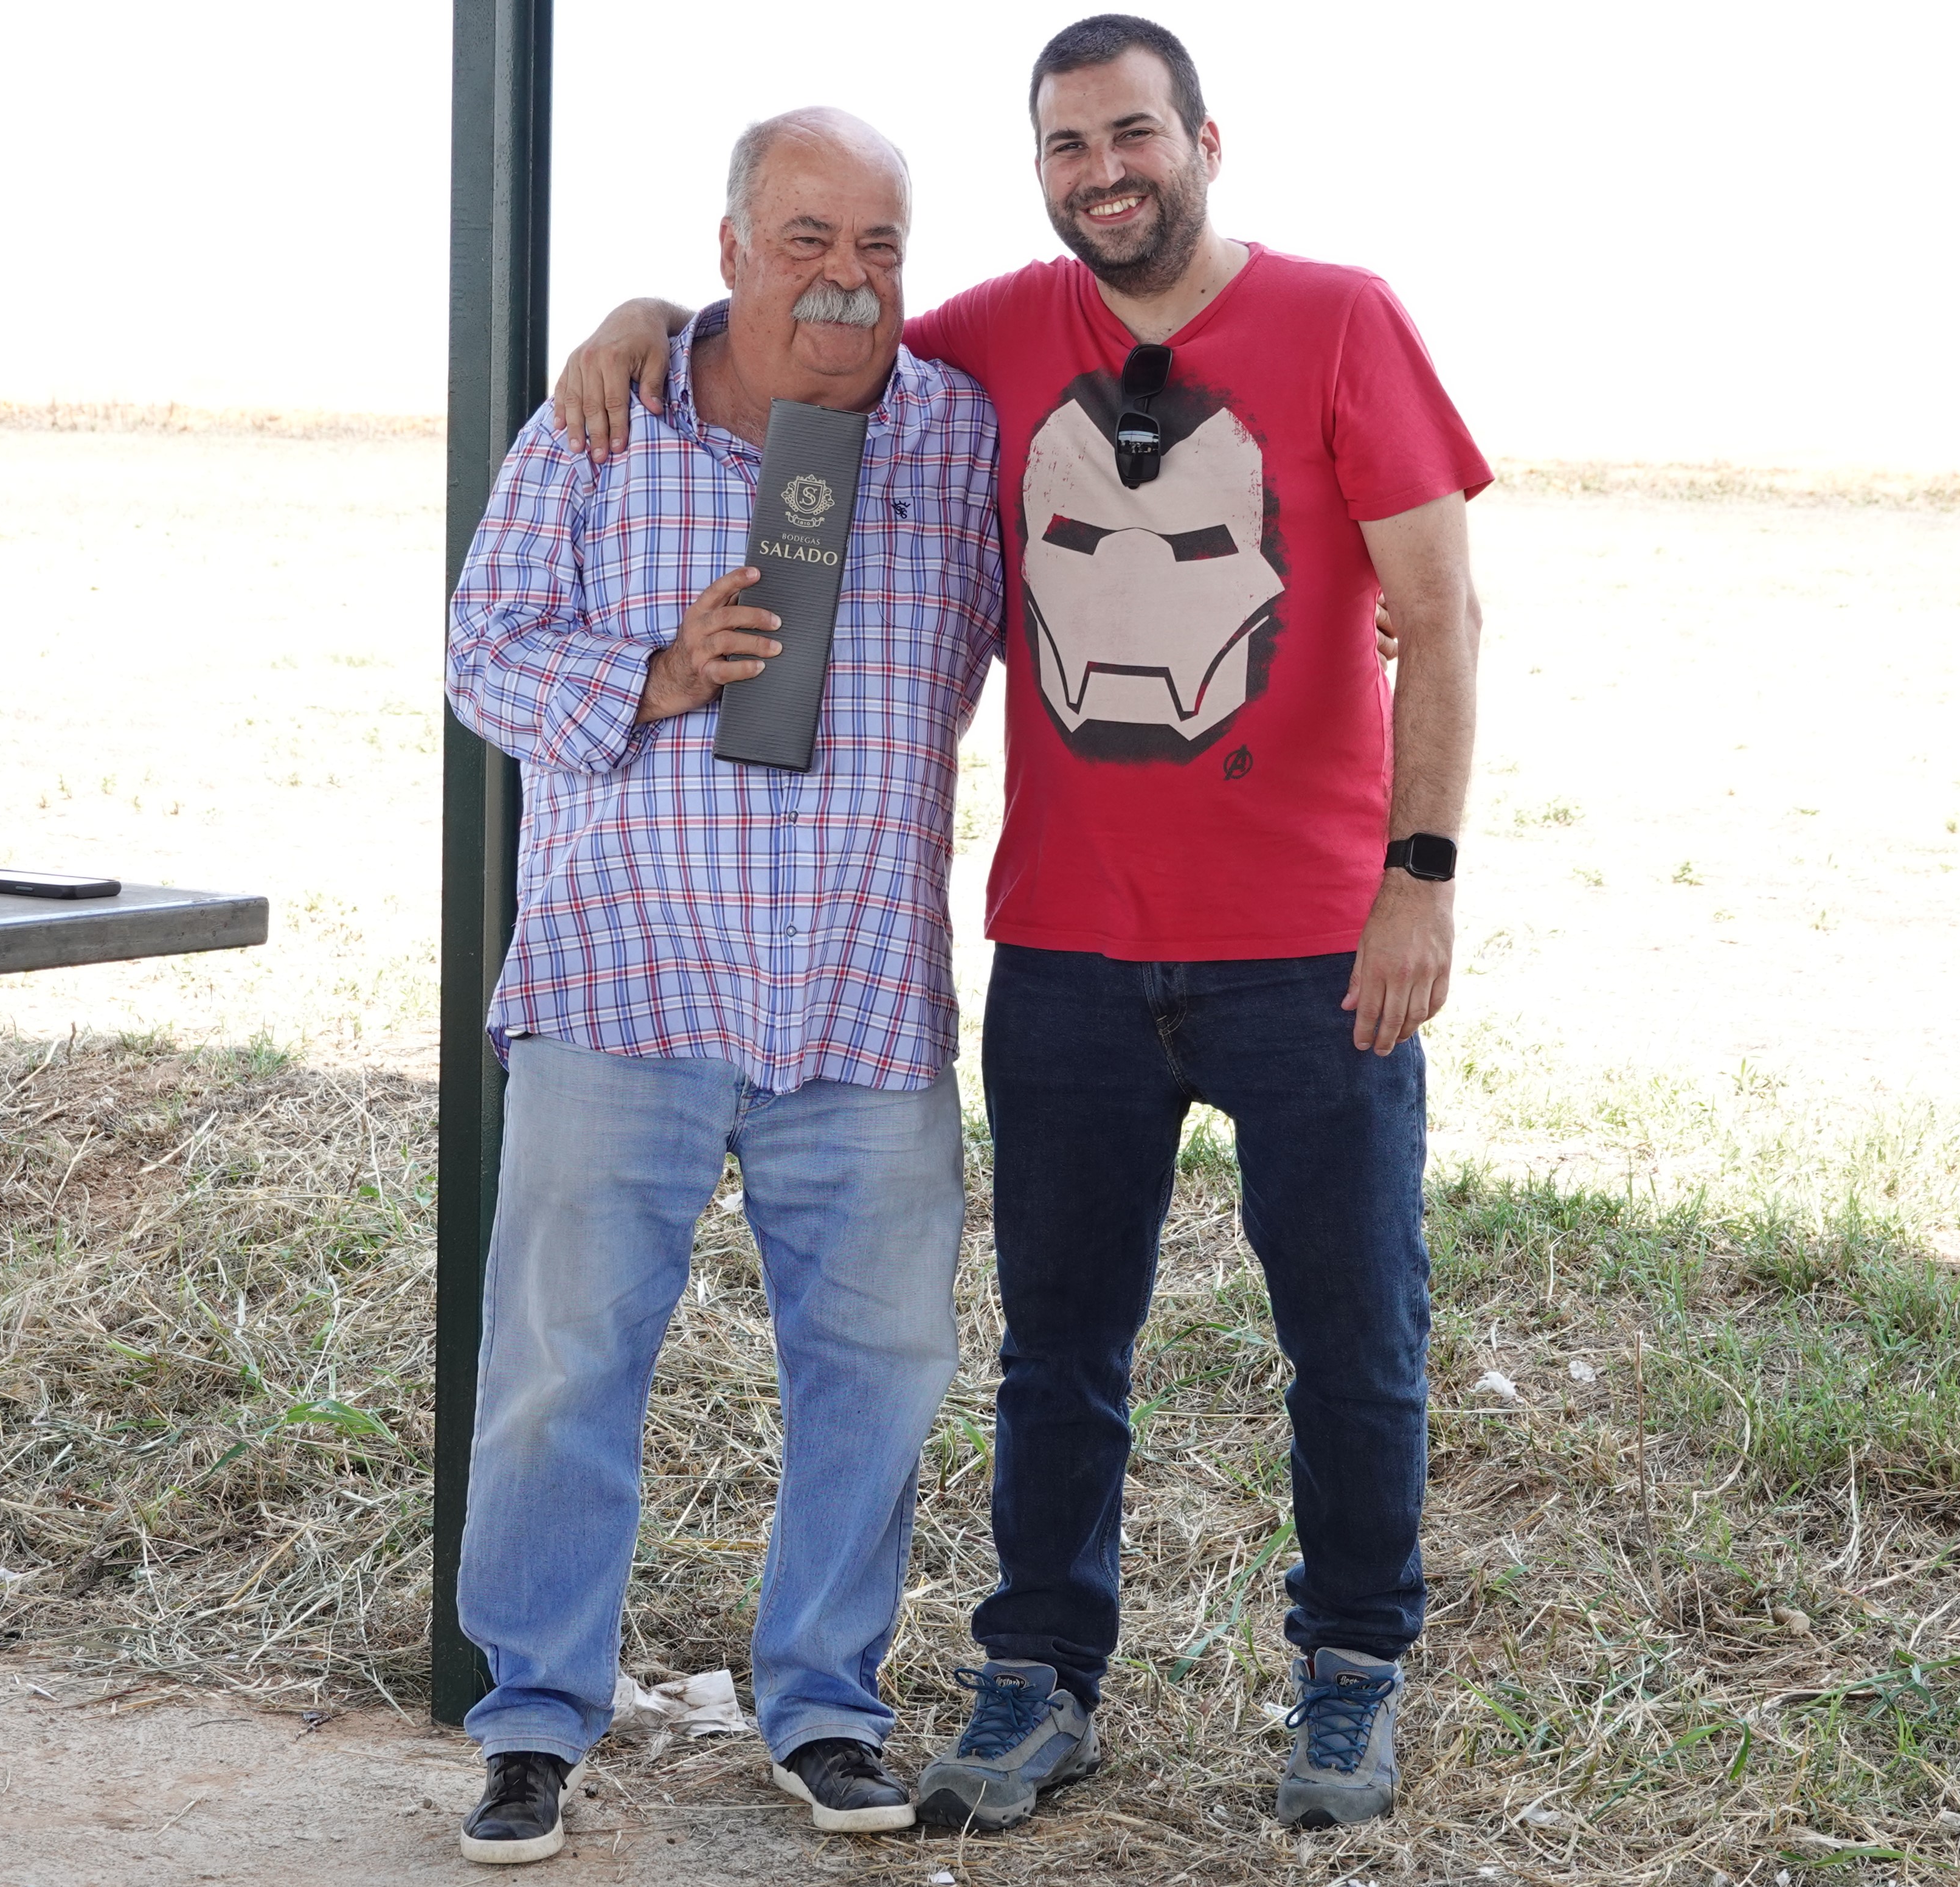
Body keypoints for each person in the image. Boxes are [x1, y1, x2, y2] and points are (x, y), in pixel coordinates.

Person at [548, 15, 1489, 1835]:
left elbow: (1441, 612)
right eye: (1067, 146)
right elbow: (807, 320)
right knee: (1057, 1349)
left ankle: (1350, 1673)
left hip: (1311, 945)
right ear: (1041, 171)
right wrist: (643, 319)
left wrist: (1421, 879)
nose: (1103, 173)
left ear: (1204, 140)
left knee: (1355, 1334)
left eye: (1133, 134)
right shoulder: (995, 334)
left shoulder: (1342, 320)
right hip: (1067, 949)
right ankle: (1041, 1674)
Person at [442, 106, 1005, 1865]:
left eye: (880, 245)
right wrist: (659, 673)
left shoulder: (957, 434)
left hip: (861, 1002)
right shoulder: (605, 421)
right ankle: (534, 1722)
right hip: (626, 985)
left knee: (882, 1374)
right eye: (807, 238)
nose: (845, 276)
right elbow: (481, 650)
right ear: (731, 247)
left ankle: (827, 1707)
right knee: (561, 1370)